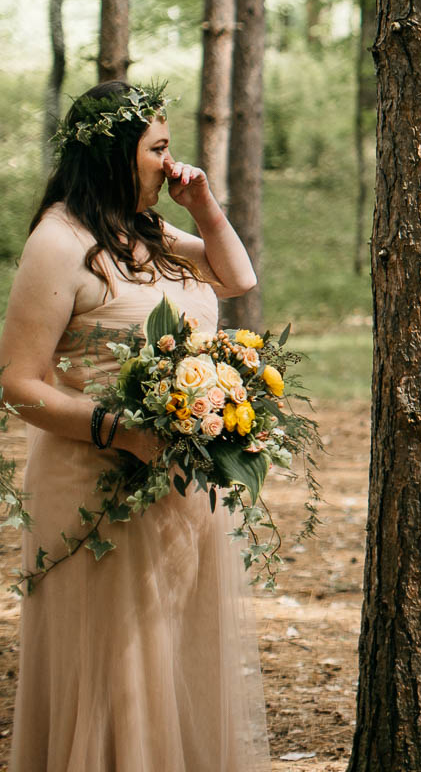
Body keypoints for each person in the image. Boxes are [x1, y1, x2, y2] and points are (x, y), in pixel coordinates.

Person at [0, 81, 268, 770]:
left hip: (176, 490)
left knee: (171, 663)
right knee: (113, 672)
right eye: (158, 149)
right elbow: (18, 385)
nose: (170, 163)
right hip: (95, 489)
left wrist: (202, 206)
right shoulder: (60, 241)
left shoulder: (146, 228)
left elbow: (237, 278)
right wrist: (121, 431)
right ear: (115, 155)